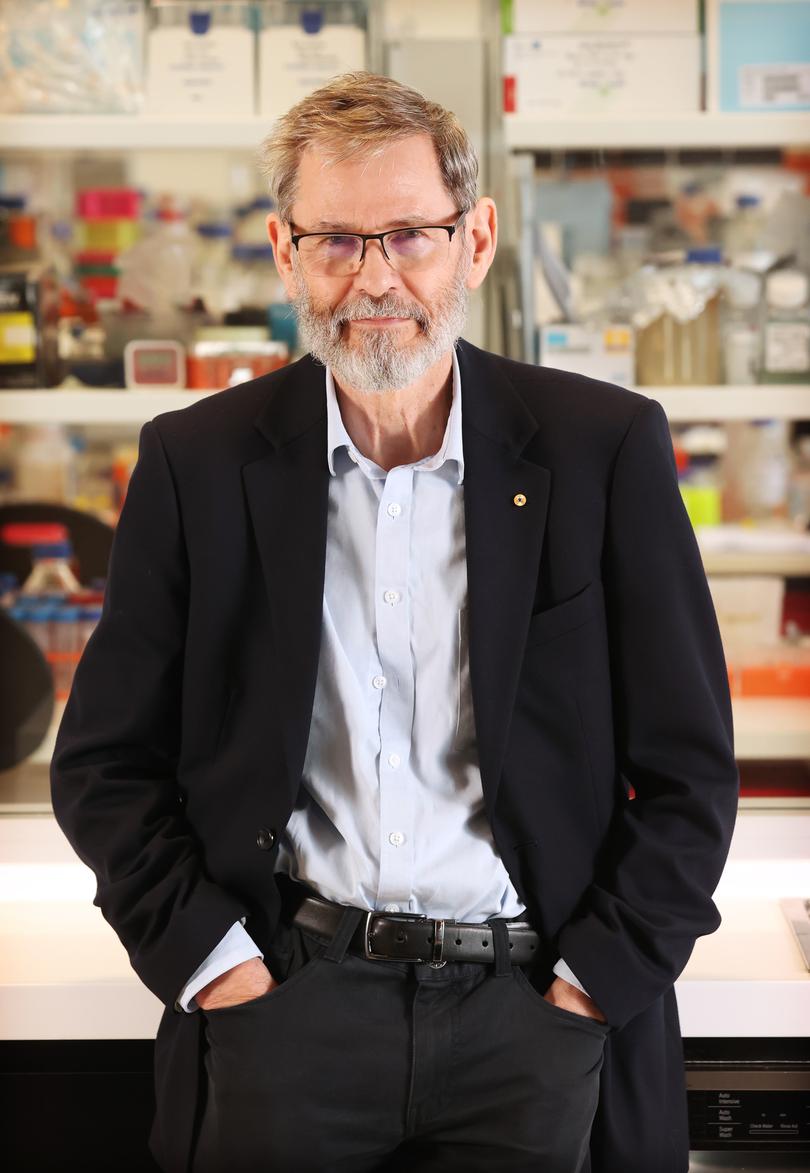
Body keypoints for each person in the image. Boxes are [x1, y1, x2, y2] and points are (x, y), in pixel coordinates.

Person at [50, 72, 739, 1173]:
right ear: (283, 249)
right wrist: (218, 966)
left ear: (475, 241)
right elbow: (101, 765)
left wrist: (595, 981)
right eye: (336, 240)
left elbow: (692, 770)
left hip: (539, 1014)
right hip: (288, 1010)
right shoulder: (199, 460)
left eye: (409, 235)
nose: (374, 278)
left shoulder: (600, 447)